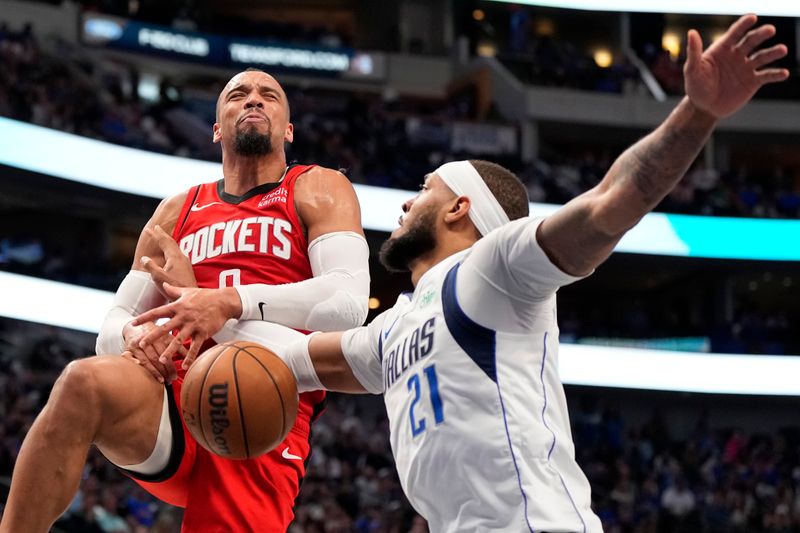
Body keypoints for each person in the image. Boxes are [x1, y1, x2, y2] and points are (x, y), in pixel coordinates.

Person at [135, 15, 787, 532]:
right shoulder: (394, 329)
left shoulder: (497, 269)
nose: (405, 204)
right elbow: (291, 355)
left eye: (421, 190)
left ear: (460, 204)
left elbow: (610, 202)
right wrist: (204, 306)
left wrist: (698, 113)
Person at [0, 69, 371, 532]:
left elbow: (348, 300)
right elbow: (113, 324)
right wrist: (137, 336)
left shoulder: (317, 186)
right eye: (238, 95)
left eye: (269, 96)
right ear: (217, 127)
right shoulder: (178, 209)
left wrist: (227, 302)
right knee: (82, 383)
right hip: (172, 390)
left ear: (288, 129)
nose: (254, 100)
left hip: (261, 400)